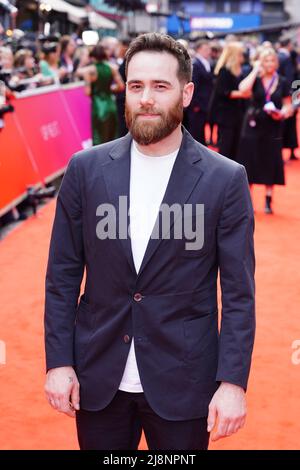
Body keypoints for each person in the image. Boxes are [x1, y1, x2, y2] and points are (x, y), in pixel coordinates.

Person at [44, 33, 255, 451]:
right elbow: (63, 275)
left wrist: (232, 382)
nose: (145, 98)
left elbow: (238, 293)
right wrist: (59, 362)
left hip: (185, 380)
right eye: (136, 85)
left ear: (187, 92)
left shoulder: (224, 178)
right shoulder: (84, 170)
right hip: (98, 377)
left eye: (160, 87)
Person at [237, 48, 292, 214]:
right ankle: (248, 200)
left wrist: (283, 113)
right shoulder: (255, 79)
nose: (269, 64)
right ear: (261, 62)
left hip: (273, 126)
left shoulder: (282, 81)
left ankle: (268, 200)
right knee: (250, 160)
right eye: (266, 61)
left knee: (271, 160)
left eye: (272, 61)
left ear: (276, 63)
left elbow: (288, 104)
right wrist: (255, 69)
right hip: (253, 125)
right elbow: (243, 89)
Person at [75, 43, 124, 145]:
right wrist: (110, 89)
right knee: (112, 136)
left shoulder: (89, 70)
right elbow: (121, 86)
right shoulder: (112, 67)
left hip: (98, 106)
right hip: (111, 105)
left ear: (92, 56)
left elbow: (87, 92)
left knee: (99, 137)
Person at [213, 42, 250, 160]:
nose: (243, 56)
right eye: (240, 54)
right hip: (227, 114)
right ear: (234, 55)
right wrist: (241, 94)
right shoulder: (224, 71)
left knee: (237, 143)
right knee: (227, 144)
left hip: (239, 112)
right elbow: (222, 92)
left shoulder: (242, 70)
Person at [186, 39, 213, 145]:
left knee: (201, 129)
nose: (209, 51)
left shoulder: (206, 63)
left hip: (205, 103)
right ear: (199, 49)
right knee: (195, 130)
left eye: (209, 49)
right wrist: (195, 104)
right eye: (206, 49)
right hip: (197, 105)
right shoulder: (195, 64)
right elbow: (194, 85)